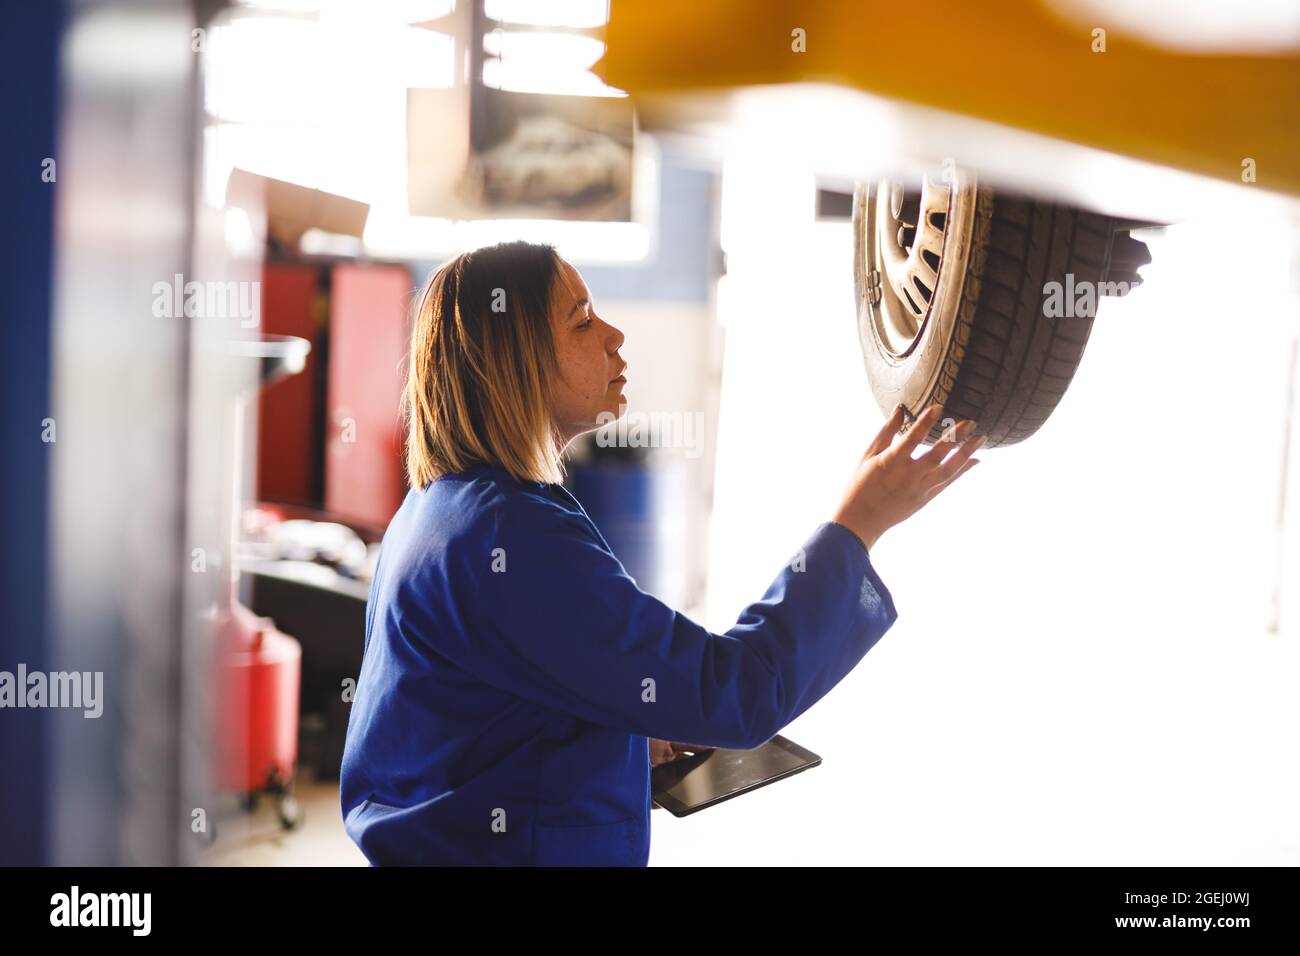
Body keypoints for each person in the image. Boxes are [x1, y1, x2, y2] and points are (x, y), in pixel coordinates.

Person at [339, 240, 984, 866]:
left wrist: (612, 736)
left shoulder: (432, 513)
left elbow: (470, 729)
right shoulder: (509, 538)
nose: (615, 336)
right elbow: (735, 693)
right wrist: (858, 525)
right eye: (582, 321)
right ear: (516, 358)